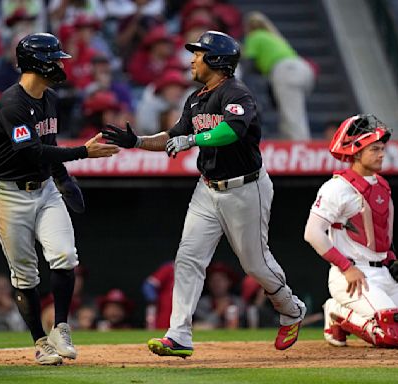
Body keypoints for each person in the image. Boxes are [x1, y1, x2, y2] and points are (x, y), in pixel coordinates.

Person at [102, 30, 306, 358]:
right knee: (188, 258)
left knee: (255, 264)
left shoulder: (237, 93)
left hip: (245, 187)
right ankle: (179, 334)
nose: (192, 59)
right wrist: (138, 142)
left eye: (198, 54)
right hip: (207, 188)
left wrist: (194, 140)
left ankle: (290, 308)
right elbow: (173, 136)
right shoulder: (195, 99)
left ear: (216, 60)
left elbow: (231, 131)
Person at [0, 32, 120, 366]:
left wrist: (62, 178)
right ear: (36, 63)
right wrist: (83, 154)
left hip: (44, 188)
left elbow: (49, 141)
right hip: (8, 195)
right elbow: (31, 152)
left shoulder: (48, 97)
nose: (60, 64)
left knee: (65, 255)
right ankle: (40, 342)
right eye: (54, 59)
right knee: (25, 275)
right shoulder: (12, 103)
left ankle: (60, 326)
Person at [304, 114, 398, 348]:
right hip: (352, 277)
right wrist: (347, 268)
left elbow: (379, 236)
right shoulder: (337, 187)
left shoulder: (381, 185)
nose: (381, 154)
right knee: (392, 334)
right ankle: (336, 312)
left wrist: (391, 261)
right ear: (356, 153)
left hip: (384, 275)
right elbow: (312, 233)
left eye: (382, 149)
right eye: (374, 149)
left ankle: (359, 313)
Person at [243, 11, 315, 140]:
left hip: (286, 70)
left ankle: (300, 150)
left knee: (292, 117)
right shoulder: (274, 36)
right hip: (304, 68)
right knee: (293, 112)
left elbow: (249, 64)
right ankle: (296, 144)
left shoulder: (254, 37)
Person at [194, 261, 245, 329]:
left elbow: (246, 325)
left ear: (229, 282)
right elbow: (201, 326)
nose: (217, 284)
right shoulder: (201, 304)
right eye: (213, 280)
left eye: (221, 280)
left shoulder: (238, 302)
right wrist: (218, 311)